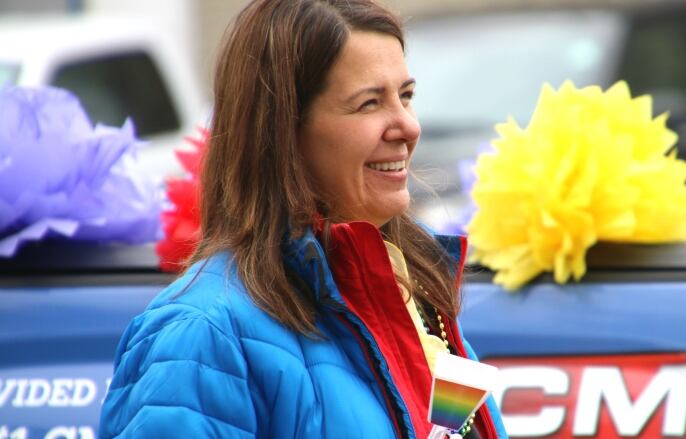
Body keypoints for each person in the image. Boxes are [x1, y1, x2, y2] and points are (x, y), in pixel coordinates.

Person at [98, 0, 508, 437]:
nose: (407, 126)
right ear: (283, 131)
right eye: (369, 103)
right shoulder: (202, 333)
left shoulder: (416, 292)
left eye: (405, 96)